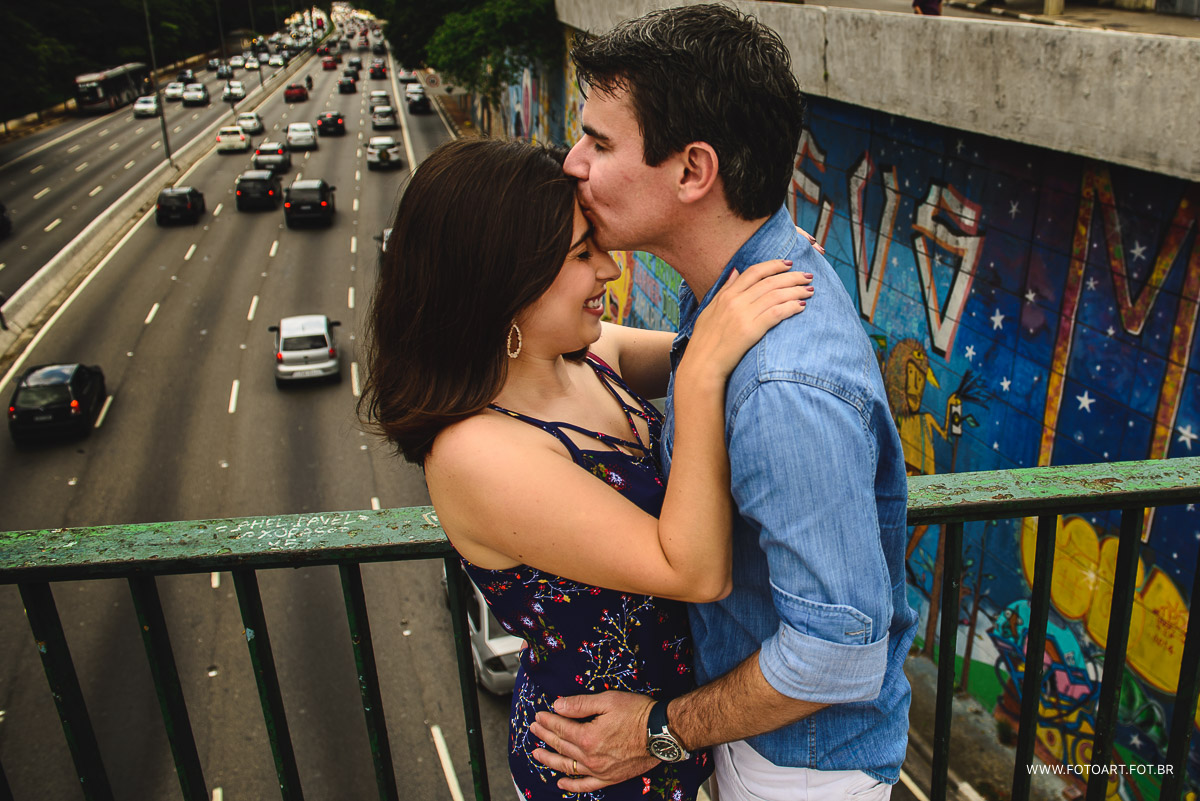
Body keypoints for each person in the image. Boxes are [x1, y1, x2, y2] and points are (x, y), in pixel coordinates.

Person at [526, 6, 919, 801]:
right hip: (768, 741)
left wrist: (656, 729)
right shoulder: (734, 293)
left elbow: (838, 652)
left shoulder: (783, 387)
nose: (573, 162)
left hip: (799, 769)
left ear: (692, 171)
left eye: (599, 142)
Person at [358, 137, 813, 801]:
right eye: (580, 254)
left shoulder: (584, 357)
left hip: (671, 735)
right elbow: (695, 571)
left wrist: (758, 262)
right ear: (502, 283)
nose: (609, 268)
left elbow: (720, 338)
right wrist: (699, 377)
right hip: (594, 764)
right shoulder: (477, 452)